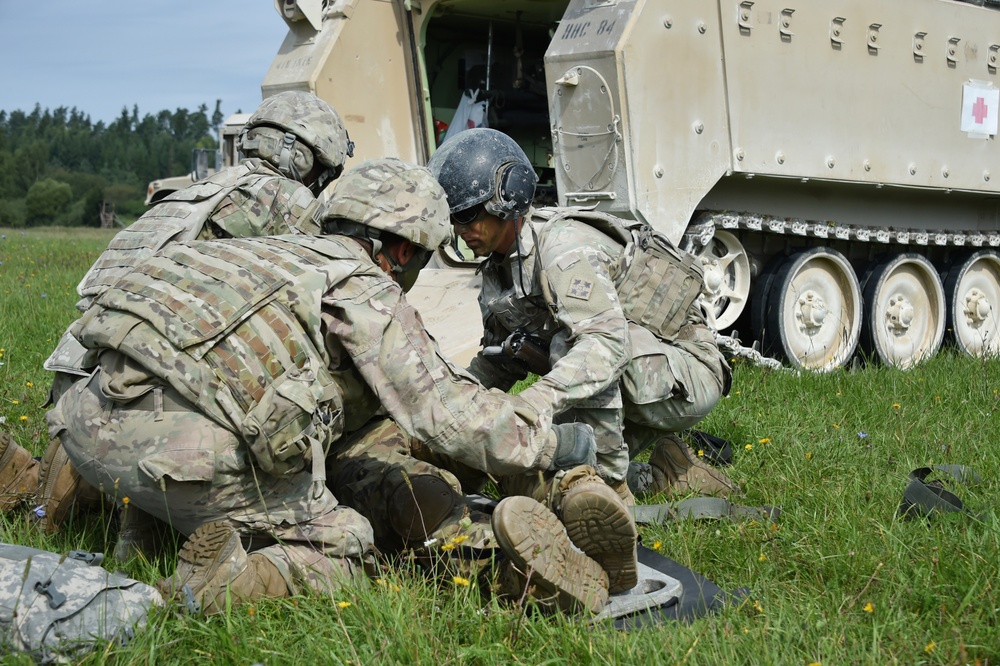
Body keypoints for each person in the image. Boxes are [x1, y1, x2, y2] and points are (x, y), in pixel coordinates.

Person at [45, 158, 615, 615]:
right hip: (180, 459)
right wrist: (554, 444)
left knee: (195, 406)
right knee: (348, 542)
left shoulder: (252, 252)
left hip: (81, 423)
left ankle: (140, 540)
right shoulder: (360, 285)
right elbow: (447, 415)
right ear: (400, 248)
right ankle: (222, 583)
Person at [0, 91, 354, 543]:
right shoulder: (290, 203)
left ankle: (45, 503)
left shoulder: (193, 192)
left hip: (78, 369)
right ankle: (136, 535)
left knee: (77, 501)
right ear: (306, 159)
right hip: (142, 383)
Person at [426, 128, 736, 500]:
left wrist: (536, 403)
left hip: (687, 371)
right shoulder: (499, 269)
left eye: (469, 214)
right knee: (536, 467)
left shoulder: (562, 249)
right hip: (631, 376)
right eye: (455, 219)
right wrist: (447, 411)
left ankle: (611, 489)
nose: (462, 230)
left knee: (570, 349)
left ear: (508, 197)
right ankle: (669, 473)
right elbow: (499, 361)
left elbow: (605, 345)